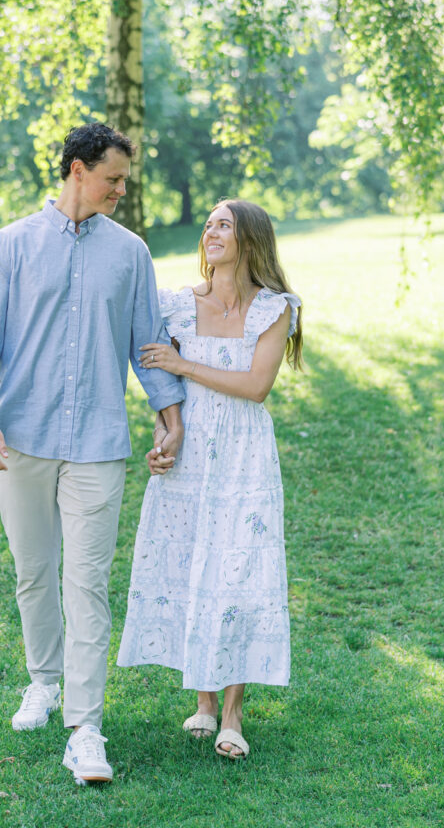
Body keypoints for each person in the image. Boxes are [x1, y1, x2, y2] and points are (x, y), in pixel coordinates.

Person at [0, 123, 185, 785]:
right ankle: (43, 681)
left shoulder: (130, 254)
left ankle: (85, 729)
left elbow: (148, 340)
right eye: (113, 178)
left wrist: (168, 418)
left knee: (85, 585)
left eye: (123, 180)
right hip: (20, 438)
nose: (120, 190)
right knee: (34, 572)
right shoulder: (11, 246)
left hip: (97, 445)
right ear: (77, 170)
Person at [117, 199, 303, 760]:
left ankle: (233, 711)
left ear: (250, 239)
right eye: (208, 226)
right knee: (195, 560)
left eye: (223, 224)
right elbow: (164, 392)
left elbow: (255, 386)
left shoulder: (274, 309)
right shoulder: (175, 305)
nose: (211, 232)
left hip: (245, 455)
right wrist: (163, 436)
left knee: (239, 569)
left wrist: (184, 364)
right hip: (191, 449)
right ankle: (201, 701)